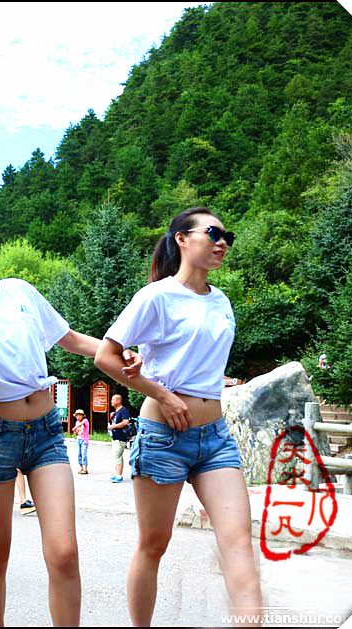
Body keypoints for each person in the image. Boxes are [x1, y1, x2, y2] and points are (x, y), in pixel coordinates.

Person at [0, 211, 142, 626]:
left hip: (45, 432)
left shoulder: (20, 292)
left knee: (64, 552)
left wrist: (118, 352)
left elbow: (70, 338)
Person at [95, 207, 262, 625]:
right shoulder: (157, 296)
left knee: (239, 541)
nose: (223, 241)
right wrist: (160, 393)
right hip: (162, 434)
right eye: (213, 233)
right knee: (154, 544)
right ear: (181, 239)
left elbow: (199, 362)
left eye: (228, 236)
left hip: (215, 437)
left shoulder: (221, 301)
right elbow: (106, 355)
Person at [108, 394, 131, 483]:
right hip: (115, 437)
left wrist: (113, 426)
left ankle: (119, 476)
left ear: (118, 401)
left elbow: (126, 422)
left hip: (121, 437)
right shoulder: (117, 411)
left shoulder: (123, 410)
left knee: (117, 456)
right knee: (117, 456)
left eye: (113, 399)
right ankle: (118, 474)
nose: (111, 401)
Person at [72, 410, 89, 474]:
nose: (78, 417)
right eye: (77, 415)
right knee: (79, 454)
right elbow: (78, 432)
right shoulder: (77, 422)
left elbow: (81, 424)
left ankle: (85, 469)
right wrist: (76, 431)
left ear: (83, 416)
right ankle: (81, 468)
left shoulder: (85, 421)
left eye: (80, 415)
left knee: (83, 454)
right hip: (78, 439)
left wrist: (75, 427)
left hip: (84, 440)